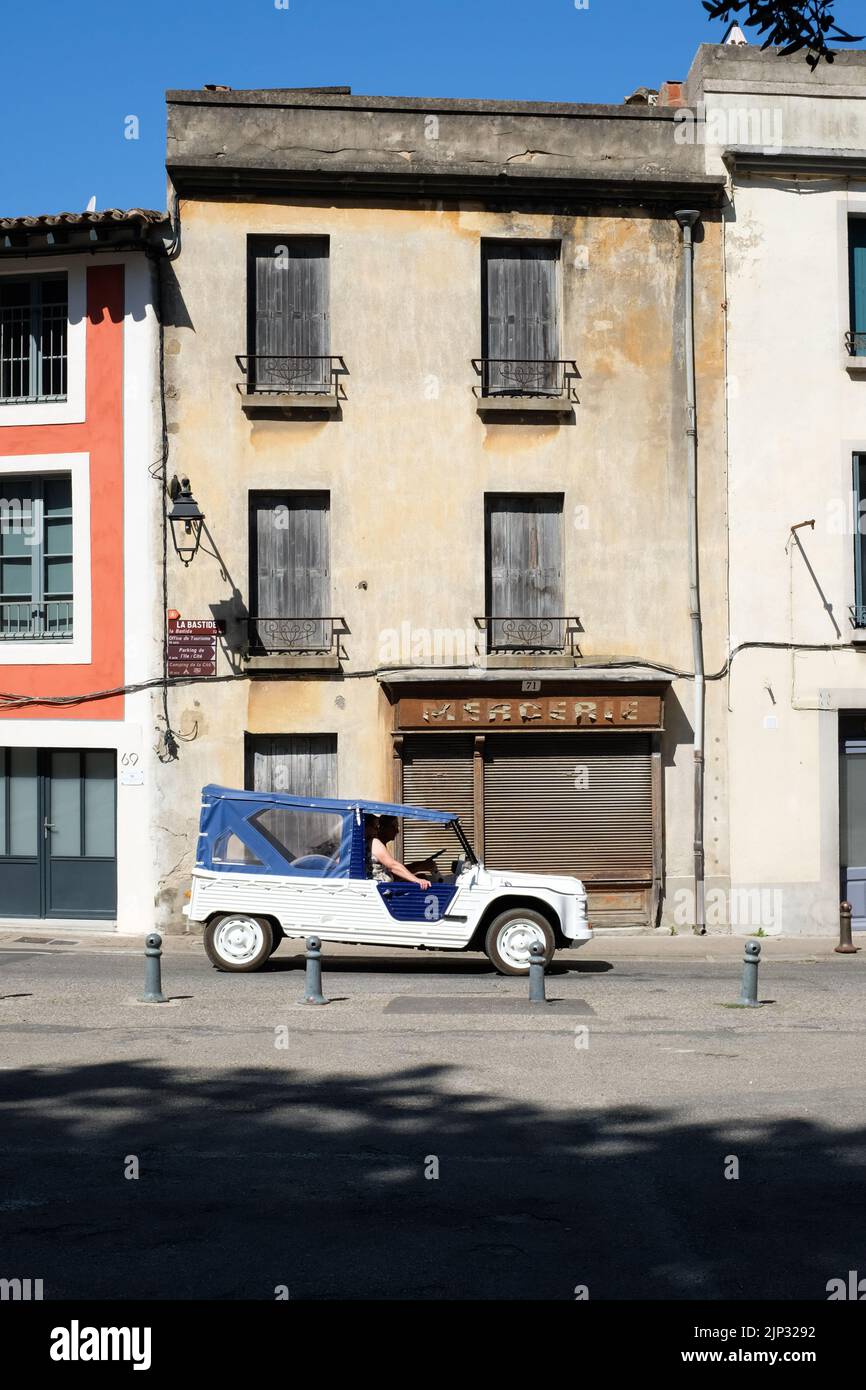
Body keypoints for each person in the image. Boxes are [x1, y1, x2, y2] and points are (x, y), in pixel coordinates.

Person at [365, 814, 431, 890]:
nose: (377, 830)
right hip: (383, 891)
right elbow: (393, 866)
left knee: (421, 876)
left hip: (378, 888)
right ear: (367, 827)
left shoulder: (365, 843)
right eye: (375, 827)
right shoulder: (373, 842)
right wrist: (416, 880)